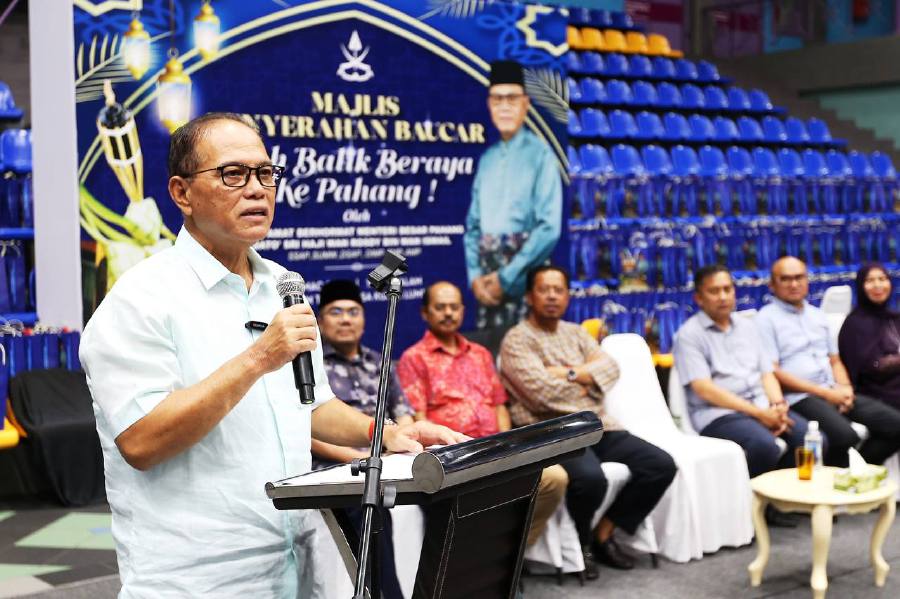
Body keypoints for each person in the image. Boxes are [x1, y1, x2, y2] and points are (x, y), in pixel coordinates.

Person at [79, 112, 464, 598]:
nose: (257, 189)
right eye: (232, 174)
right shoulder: (140, 300)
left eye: (265, 174)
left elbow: (310, 407)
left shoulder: (281, 288)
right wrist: (259, 357)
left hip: (294, 559)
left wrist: (387, 433)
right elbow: (141, 440)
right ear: (182, 194)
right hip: (198, 576)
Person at [499, 265, 677, 574]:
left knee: (660, 466)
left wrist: (568, 373)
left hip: (597, 425)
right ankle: (581, 544)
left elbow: (611, 369)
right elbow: (540, 393)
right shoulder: (517, 340)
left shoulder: (576, 332)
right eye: (544, 289)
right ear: (529, 296)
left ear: (568, 296)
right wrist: (587, 382)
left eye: (559, 290)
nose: (552, 296)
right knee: (591, 480)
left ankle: (603, 533)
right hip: (552, 430)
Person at [396, 281, 569, 564]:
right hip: (453, 453)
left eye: (454, 307)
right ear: (425, 313)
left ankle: (508, 556)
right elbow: (418, 419)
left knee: (555, 479)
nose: (448, 313)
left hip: (494, 446)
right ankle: (480, 564)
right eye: (440, 307)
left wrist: (503, 444)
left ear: (464, 311)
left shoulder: (481, 353)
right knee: (478, 494)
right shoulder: (414, 359)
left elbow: (499, 403)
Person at [757, 257, 900, 467]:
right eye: (786, 279)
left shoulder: (817, 316)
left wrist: (844, 388)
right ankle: (837, 489)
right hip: (800, 396)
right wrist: (827, 394)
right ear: (772, 285)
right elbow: (772, 371)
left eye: (799, 277)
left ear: (807, 280)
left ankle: (858, 477)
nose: (794, 284)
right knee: (845, 436)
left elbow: (835, 361)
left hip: (832, 390)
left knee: (895, 425)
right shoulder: (765, 319)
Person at [673, 264, 811, 480]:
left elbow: (766, 373)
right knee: (763, 446)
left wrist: (778, 406)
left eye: (728, 289)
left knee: (808, 438)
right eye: (714, 291)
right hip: (720, 413)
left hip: (761, 406)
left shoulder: (748, 326)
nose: (723, 297)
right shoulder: (689, 335)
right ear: (698, 298)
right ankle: (750, 506)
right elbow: (704, 389)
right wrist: (759, 414)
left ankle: (781, 501)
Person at [463, 60, 562, 330]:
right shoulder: (488, 159)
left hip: (524, 275)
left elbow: (549, 229)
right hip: (486, 278)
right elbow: (472, 227)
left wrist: (506, 277)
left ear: (525, 103)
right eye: (497, 99)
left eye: (511, 98)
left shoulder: (541, 155)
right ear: (489, 104)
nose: (504, 106)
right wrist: (475, 277)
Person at [313, 278, 415, 468]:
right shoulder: (311, 364)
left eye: (353, 312)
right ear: (320, 322)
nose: (345, 320)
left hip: (388, 461)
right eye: (336, 312)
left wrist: (404, 448)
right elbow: (309, 431)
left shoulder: (380, 362)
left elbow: (403, 416)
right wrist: (362, 460)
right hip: (333, 470)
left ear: (363, 321)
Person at [839, 263, 900, 412]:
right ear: (861, 286)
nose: (877, 285)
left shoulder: (894, 317)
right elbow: (871, 368)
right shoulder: (854, 324)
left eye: (882, 278)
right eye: (870, 281)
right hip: (876, 392)